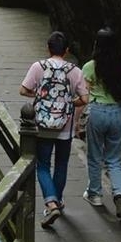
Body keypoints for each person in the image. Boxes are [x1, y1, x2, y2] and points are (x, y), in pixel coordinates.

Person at [20, 31, 89, 228]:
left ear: (48, 48)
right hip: (64, 128)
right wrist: (68, 101)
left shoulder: (38, 67)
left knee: (42, 164)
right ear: (67, 51)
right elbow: (84, 99)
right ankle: (56, 201)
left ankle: (51, 203)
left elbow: (23, 89)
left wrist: (40, 95)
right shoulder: (75, 71)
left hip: (42, 124)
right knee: (61, 165)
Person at [81, 27, 121, 218]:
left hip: (97, 111)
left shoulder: (90, 66)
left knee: (95, 156)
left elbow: (85, 92)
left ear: (96, 45)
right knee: (114, 158)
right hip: (117, 112)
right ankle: (118, 193)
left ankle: (95, 194)